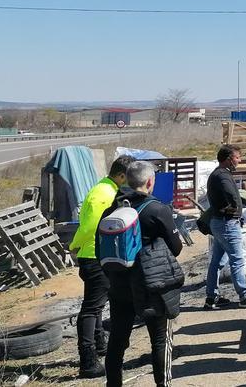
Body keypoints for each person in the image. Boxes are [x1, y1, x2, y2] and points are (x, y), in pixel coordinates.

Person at [101, 160, 184, 387]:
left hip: (119, 285)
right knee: (159, 340)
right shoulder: (157, 209)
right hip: (151, 285)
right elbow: (176, 248)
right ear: (150, 182)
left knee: (117, 340)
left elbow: (101, 251)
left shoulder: (112, 209)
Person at [70, 155, 130, 378]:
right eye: (129, 177)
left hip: (94, 254)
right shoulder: (104, 193)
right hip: (94, 255)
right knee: (91, 309)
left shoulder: (105, 188)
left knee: (96, 305)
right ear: (121, 175)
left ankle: (100, 346)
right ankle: (87, 362)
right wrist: (73, 245)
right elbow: (90, 227)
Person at [205, 145, 246, 310]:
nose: (239, 160)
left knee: (217, 262)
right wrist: (236, 209)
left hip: (219, 222)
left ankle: (211, 297)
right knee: (237, 260)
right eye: (237, 157)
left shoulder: (218, 174)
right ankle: (244, 295)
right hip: (227, 223)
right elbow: (232, 196)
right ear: (228, 158)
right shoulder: (222, 176)